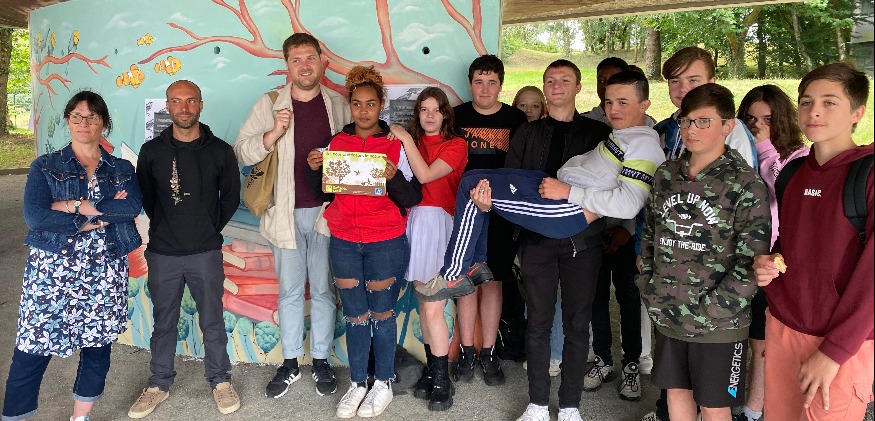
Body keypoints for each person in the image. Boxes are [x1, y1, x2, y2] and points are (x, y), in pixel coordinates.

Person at [2, 91, 142, 421]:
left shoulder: (122, 168)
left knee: (97, 347)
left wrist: (66, 207)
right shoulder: (46, 166)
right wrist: (91, 213)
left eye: (92, 117)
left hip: (105, 270)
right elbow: (36, 217)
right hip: (52, 272)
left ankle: (81, 416)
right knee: (31, 349)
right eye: (77, 116)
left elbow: (131, 208)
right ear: (68, 120)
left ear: (104, 123)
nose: (84, 123)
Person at [638, 83, 770, 421]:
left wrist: (710, 310)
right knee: (676, 394)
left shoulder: (745, 183)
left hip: (718, 323)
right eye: (686, 121)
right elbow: (651, 235)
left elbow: (751, 261)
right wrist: (650, 287)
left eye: (703, 121)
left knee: (714, 406)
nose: (691, 129)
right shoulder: (667, 174)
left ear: (727, 126)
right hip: (669, 311)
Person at [753, 62, 873, 421]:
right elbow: (791, 245)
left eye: (829, 102)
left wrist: (835, 351)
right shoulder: (792, 173)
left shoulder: (867, 174)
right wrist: (770, 262)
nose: (814, 111)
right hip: (783, 328)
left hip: (840, 343)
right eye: (806, 102)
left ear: (857, 112)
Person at [234, 32, 351, 399]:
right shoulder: (270, 104)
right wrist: (273, 133)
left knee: (323, 290)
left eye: (310, 58)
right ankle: (290, 362)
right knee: (289, 292)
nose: (304, 65)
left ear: (322, 62)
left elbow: (356, 151)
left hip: (326, 214)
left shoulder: (338, 105)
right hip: (283, 215)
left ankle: (321, 360)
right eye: (296, 59)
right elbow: (241, 152)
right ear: (287, 65)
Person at [306, 65, 422, 419]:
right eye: (357, 104)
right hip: (344, 241)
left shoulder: (395, 145)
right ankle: (358, 383)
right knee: (355, 316)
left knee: (382, 315)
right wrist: (315, 169)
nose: (364, 111)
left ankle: (383, 383)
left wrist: (394, 178)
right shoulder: (336, 144)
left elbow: (412, 197)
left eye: (371, 104)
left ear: (381, 105)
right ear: (350, 105)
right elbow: (325, 194)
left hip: (384, 241)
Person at [508, 59, 613, 421]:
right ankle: (537, 403)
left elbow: (611, 187)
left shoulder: (598, 135)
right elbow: (512, 182)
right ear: (544, 86)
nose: (557, 85)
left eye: (565, 80)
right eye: (550, 80)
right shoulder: (526, 133)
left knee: (576, 325)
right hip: (536, 240)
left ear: (578, 87)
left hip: (582, 242)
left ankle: (569, 405)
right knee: (537, 322)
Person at [130, 80, 241, 418]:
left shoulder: (220, 151)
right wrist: (169, 226)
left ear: (201, 105)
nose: (184, 107)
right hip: (163, 252)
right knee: (164, 322)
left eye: (191, 101)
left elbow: (230, 198)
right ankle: (158, 385)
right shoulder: (152, 151)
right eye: (176, 101)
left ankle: (220, 381)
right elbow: (147, 198)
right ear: (168, 106)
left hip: (205, 251)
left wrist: (207, 229)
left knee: (212, 320)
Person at [386, 87, 467, 412]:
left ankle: (443, 380)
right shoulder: (414, 144)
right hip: (414, 222)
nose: (430, 116)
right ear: (418, 114)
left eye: (436, 110)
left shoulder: (455, 145)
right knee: (424, 305)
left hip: (438, 224)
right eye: (424, 110)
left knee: (433, 307)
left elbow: (426, 175)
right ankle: (434, 371)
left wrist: (405, 138)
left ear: (446, 114)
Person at [733, 84, 808, 421]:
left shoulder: (799, 157)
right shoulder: (738, 150)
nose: (758, 126)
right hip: (738, 253)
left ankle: (752, 410)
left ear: (783, 119)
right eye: (750, 119)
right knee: (735, 336)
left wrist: (764, 146)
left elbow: (781, 186)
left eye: (767, 119)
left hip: (773, 258)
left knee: (761, 342)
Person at [451, 54, 528, 386]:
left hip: (501, 213)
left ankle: (488, 351)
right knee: (466, 279)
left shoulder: (515, 119)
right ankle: (467, 351)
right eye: (479, 82)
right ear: (470, 84)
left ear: (501, 85)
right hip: (464, 210)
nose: (485, 89)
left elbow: (522, 167)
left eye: (492, 82)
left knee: (493, 281)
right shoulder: (456, 117)